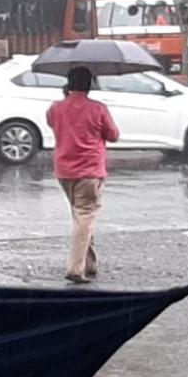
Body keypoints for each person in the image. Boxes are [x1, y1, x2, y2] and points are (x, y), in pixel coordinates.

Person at [45, 67, 120, 284]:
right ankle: (76, 268)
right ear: (90, 85)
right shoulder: (98, 109)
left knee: (80, 216)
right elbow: (113, 135)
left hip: (65, 170)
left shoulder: (55, 108)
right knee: (85, 215)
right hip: (90, 170)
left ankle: (90, 263)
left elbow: (53, 124)